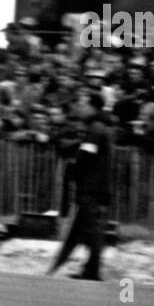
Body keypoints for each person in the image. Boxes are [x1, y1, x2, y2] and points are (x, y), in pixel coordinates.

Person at [47, 94, 113, 280]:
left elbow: (86, 156)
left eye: (83, 104)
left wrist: (74, 171)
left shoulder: (96, 129)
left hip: (91, 187)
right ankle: (76, 269)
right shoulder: (97, 128)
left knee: (91, 231)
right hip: (92, 186)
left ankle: (92, 271)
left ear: (93, 108)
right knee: (78, 232)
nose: (80, 107)